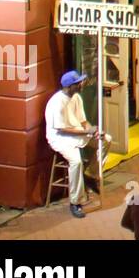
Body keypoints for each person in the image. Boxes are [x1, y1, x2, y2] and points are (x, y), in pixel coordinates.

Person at [45, 70, 96, 217]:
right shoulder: (56, 102)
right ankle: (75, 202)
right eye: (78, 83)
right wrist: (87, 132)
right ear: (69, 86)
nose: (81, 84)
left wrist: (91, 129)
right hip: (60, 138)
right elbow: (63, 129)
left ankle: (91, 174)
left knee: (106, 140)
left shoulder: (77, 97)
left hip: (78, 132)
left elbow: (83, 121)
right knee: (76, 162)